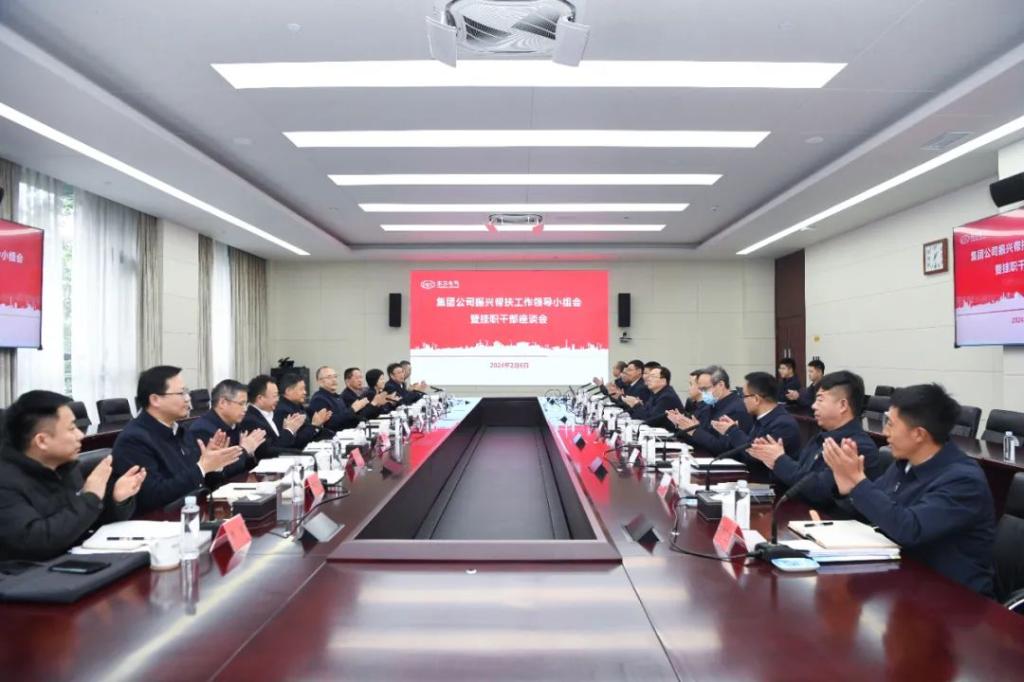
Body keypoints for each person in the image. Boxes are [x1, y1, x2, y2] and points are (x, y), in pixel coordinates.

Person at [822, 384, 995, 595]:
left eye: (891, 424)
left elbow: (909, 529)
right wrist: (847, 488)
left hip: (955, 597)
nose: (885, 432)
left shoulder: (963, 481)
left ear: (919, 434)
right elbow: (875, 510)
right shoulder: (904, 464)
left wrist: (858, 483)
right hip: (905, 581)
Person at [0, 391, 147, 560]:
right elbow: (37, 542)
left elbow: (83, 522)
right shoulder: (5, 483)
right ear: (42, 441)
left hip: (75, 562)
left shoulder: (64, 467)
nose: (80, 435)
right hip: (30, 573)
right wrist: (91, 497)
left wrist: (116, 499)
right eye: (71, 428)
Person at [112, 365, 242, 515]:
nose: (188, 398)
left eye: (187, 392)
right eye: (181, 393)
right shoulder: (134, 440)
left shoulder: (180, 431)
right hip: (161, 522)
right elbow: (153, 496)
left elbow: (200, 482)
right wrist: (202, 467)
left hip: (194, 513)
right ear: (155, 399)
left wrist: (215, 465)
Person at [746, 370, 883, 511]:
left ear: (843, 405)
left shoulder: (857, 446)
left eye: (820, 400)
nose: (813, 406)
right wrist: (772, 461)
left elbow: (819, 491)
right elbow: (799, 476)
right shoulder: (822, 437)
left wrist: (779, 460)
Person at [701, 372, 802, 477]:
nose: (742, 400)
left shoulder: (783, 424)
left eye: (744, 396)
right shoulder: (761, 418)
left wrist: (732, 431)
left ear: (756, 399)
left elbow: (753, 455)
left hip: (771, 483)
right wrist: (730, 430)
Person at [185, 380, 267, 479]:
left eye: (246, 404)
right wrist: (244, 449)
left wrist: (250, 453)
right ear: (222, 403)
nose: (245, 409)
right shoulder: (203, 430)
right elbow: (222, 474)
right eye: (241, 404)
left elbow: (246, 469)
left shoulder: (236, 425)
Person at [667, 365, 752, 439]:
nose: (703, 393)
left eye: (705, 389)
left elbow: (722, 447)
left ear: (721, 385)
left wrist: (694, 431)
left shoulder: (737, 409)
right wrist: (682, 424)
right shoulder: (709, 406)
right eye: (701, 389)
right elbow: (701, 439)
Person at [241, 375, 307, 460]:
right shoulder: (251, 420)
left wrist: (286, 430)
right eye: (275, 396)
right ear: (260, 398)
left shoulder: (272, 413)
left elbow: (279, 442)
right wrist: (289, 430)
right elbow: (269, 452)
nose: (278, 399)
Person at [274, 373, 334, 448]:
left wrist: (319, 424)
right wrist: (314, 425)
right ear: (288, 391)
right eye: (301, 389)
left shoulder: (297, 405)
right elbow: (297, 441)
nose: (305, 392)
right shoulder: (282, 410)